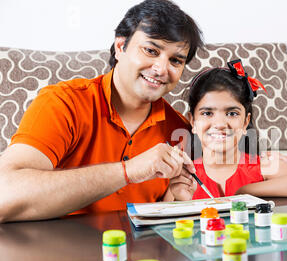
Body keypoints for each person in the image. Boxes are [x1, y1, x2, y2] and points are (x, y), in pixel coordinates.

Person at [0, 0, 202, 222]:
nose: (162, 69)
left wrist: (180, 202)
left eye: (175, 60)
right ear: (120, 47)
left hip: (140, 255)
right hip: (58, 254)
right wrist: (128, 171)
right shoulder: (64, 103)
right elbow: (5, 194)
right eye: (151, 50)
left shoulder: (180, 131)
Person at [167, 60, 287, 201]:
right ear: (193, 122)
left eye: (232, 113)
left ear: (245, 122)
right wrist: (180, 200)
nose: (219, 123)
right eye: (207, 113)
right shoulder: (184, 175)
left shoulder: (260, 166)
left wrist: (246, 191)